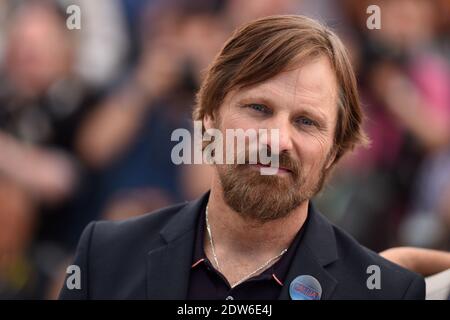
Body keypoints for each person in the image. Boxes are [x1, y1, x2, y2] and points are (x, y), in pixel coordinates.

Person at [59, 15, 425, 300]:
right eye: (258, 108)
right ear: (208, 121)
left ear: (334, 152)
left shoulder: (386, 291)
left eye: (306, 121)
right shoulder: (105, 257)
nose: (277, 140)